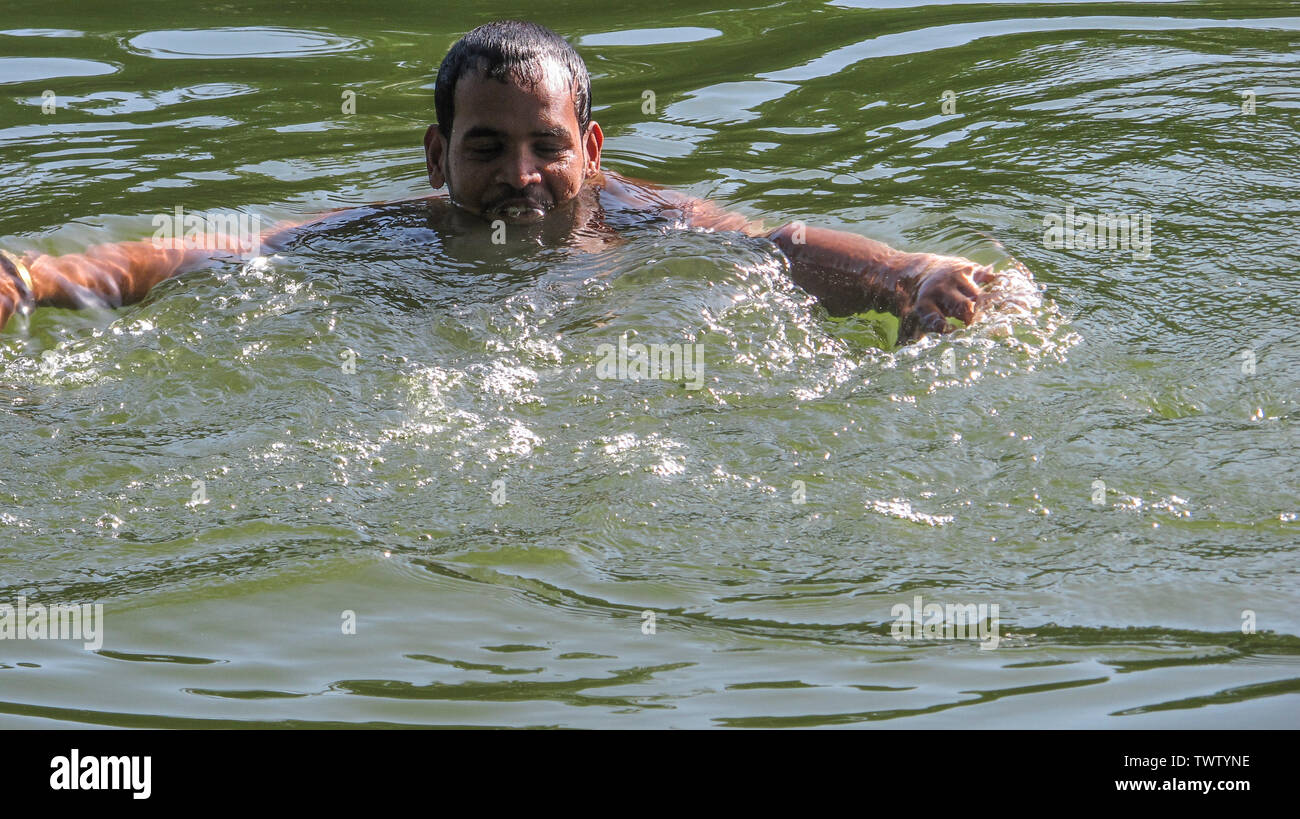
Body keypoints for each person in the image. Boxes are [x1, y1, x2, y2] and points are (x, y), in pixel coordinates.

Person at [0, 20, 999, 341]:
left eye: (547, 148)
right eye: (485, 148)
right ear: (436, 158)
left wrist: (906, 273)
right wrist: (38, 275)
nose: (521, 175)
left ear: (591, 148)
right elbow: (217, 251)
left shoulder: (641, 222)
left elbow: (776, 246)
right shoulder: (395, 235)